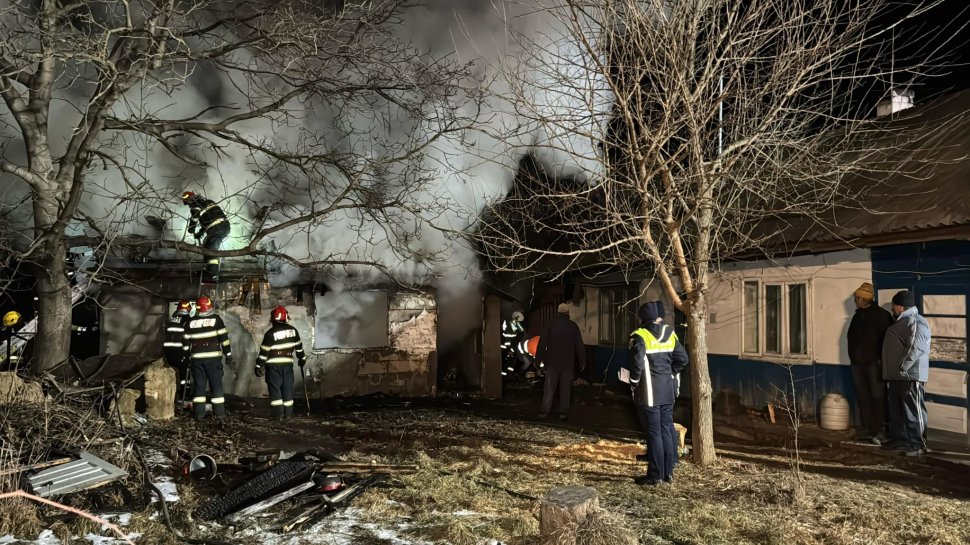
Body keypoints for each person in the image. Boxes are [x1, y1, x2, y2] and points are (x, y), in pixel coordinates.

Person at [630, 301, 689, 485]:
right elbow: (683, 359)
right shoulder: (670, 334)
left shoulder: (640, 336)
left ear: (642, 318)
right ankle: (669, 472)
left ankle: (655, 475)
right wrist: (670, 372)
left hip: (649, 393)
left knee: (654, 432)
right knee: (666, 429)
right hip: (667, 391)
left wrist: (633, 382)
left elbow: (637, 364)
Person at [881, 290, 931, 457]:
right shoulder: (903, 321)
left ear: (900, 307)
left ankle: (918, 445)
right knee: (897, 410)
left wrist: (903, 366)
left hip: (910, 375)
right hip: (897, 375)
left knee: (913, 410)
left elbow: (916, 347)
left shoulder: (916, 321)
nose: (892, 309)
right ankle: (900, 439)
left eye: (894, 306)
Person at [847, 282, 894, 444]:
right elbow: (851, 338)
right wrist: (853, 357)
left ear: (863, 299)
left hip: (875, 364)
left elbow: (888, 342)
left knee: (878, 396)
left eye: (857, 298)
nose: (855, 301)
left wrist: (881, 361)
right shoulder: (857, 316)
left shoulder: (882, 316)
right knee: (863, 396)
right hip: (858, 363)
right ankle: (867, 429)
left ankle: (880, 430)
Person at [182, 296, 232, 420]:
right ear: (210, 306)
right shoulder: (216, 320)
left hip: (197, 360)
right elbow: (224, 339)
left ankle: (199, 414)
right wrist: (228, 354)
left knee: (199, 386)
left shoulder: (190, 322)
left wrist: (186, 356)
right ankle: (219, 414)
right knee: (216, 386)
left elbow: (185, 343)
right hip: (213, 360)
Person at [535, 302, 586, 420]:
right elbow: (579, 345)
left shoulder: (550, 325)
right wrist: (583, 361)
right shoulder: (573, 326)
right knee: (565, 389)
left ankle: (544, 411)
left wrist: (538, 360)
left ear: (557, 312)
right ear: (568, 313)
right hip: (568, 364)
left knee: (549, 388)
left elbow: (542, 344)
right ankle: (563, 413)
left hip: (552, 363)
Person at [255, 305, 307, 420]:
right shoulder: (293, 331)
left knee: (275, 390)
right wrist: (302, 359)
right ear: (286, 317)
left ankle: (278, 415)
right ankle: (288, 414)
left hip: (273, 366)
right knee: (287, 388)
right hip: (288, 365)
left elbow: (264, 352)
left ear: (273, 318)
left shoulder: (270, 333)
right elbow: (299, 348)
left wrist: (258, 365)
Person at [181, 191, 230, 284]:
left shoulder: (196, 204)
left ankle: (212, 274)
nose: (189, 205)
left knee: (210, 250)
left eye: (187, 203)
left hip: (217, 228)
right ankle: (210, 271)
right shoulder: (208, 202)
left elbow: (195, 216)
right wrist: (200, 233)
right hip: (222, 227)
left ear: (190, 199)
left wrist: (191, 229)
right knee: (208, 247)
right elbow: (207, 222)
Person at [163, 300, 193, 398]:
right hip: (180, 351)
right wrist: (186, 353)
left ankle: (171, 394)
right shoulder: (187, 320)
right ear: (188, 309)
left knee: (171, 373)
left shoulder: (172, 319)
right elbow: (187, 337)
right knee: (183, 374)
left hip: (168, 351)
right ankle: (184, 395)